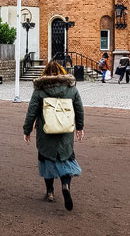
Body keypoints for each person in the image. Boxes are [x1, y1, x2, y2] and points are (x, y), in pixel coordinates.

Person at [23, 60, 84, 211]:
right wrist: (80, 128)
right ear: (62, 72)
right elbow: (79, 109)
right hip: (65, 132)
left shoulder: (40, 90)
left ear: (45, 73)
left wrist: (27, 130)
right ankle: (65, 185)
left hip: (46, 131)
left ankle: (50, 192)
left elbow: (32, 112)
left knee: (47, 160)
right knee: (66, 157)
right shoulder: (71, 88)